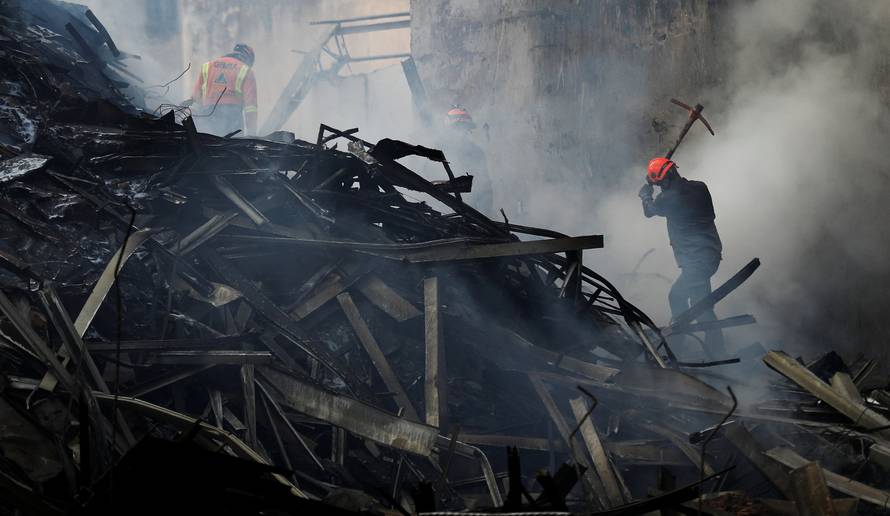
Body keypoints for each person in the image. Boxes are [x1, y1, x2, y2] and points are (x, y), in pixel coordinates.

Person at [638, 157, 726, 358]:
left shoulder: (668, 199)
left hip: (696, 261)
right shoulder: (700, 187)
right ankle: (687, 342)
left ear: (666, 180)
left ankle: (687, 347)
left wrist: (645, 194)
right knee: (699, 303)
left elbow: (649, 212)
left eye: (660, 183)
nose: (660, 187)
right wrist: (657, 181)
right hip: (710, 254)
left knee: (692, 303)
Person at [190, 43, 257, 136]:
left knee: (208, 146)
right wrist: (252, 134)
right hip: (232, 118)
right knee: (231, 148)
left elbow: (195, 101)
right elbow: (250, 107)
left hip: (207, 115)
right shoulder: (245, 70)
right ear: (249, 60)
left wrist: (192, 126)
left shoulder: (208, 66)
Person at [441, 106, 494, 217]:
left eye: (464, 128)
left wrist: (485, 216)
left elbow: (485, 187)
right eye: (457, 128)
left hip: (469, 213)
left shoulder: (476, 152)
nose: (462, 132)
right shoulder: (437, 151)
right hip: (442, 214)